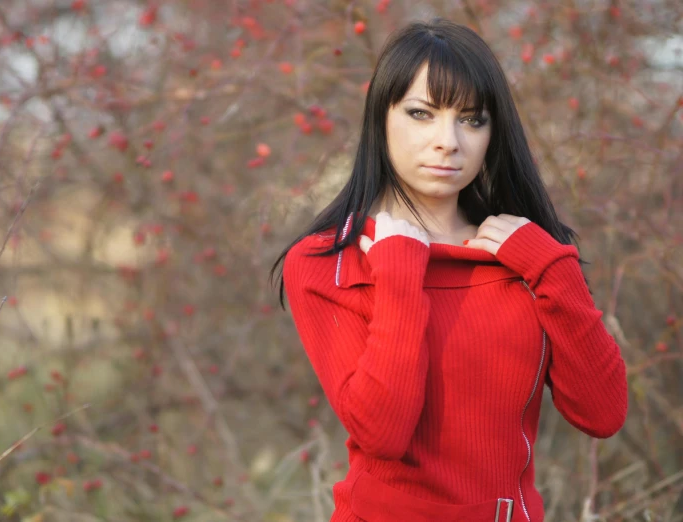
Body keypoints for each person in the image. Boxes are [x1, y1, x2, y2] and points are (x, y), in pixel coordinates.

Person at [268, 18, 628, 522]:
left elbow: (603, 413)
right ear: (382, 119)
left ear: (492, 133)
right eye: (421, 113)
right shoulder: (327, 261)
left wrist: (552, 267)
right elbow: (382, 434)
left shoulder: (528, 255)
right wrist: (397, 270)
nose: (448, 141)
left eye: (472, 119)